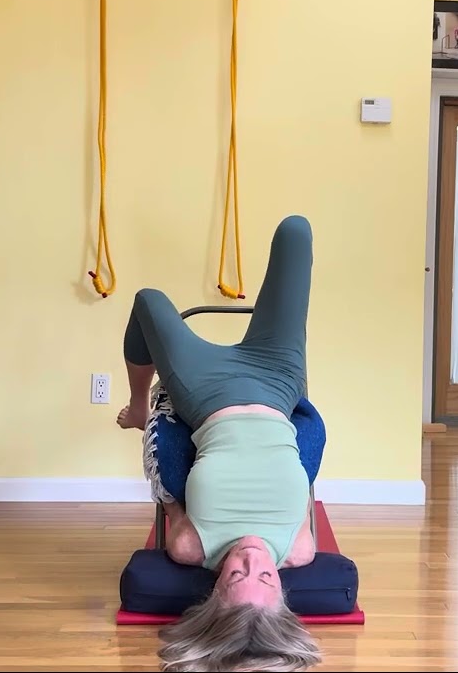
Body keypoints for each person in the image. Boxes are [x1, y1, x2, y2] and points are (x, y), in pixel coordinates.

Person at [117, 214, 324, 672]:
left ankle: (134, 404)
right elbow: (304, 471)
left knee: (147, 301)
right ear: (282, 590)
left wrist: (151, 418)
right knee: (296, 230)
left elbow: (166, 482)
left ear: (214, 590)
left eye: (235, 575)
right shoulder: (299, 548)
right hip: (277, 382)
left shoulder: (191, 546)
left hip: (204, 394)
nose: (251, 560)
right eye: (266, 577)